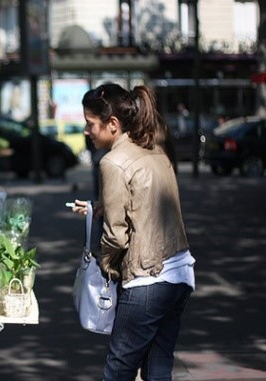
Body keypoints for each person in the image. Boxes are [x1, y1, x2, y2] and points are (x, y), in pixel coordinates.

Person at [71, 83, 195, 381]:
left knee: (118, 370)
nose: (87, 131)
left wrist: (107, 268)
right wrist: (100, 207)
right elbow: (145, 203)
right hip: (180, 273)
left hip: (147, 280)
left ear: (112, 124)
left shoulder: (112, 162)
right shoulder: (153, 150)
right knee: (157, 367)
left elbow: (115, 236)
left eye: (90, 124)